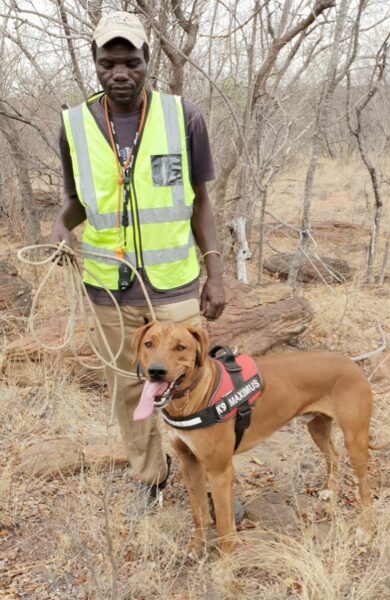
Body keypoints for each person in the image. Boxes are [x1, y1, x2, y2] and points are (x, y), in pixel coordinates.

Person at [51, 12, 243, 519]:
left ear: (146, 63)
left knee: (194, 377)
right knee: (129, 385)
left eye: (130, 61)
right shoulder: (74, 124)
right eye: (107, 62)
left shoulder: (185, 117)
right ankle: (150, 478)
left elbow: (201, 200)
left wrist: (215, 272)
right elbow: (77, 201)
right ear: (94, 64)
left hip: (174, 283)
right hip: (107, 287)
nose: (120, 72)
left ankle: (211, 477)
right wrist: (58, 229)